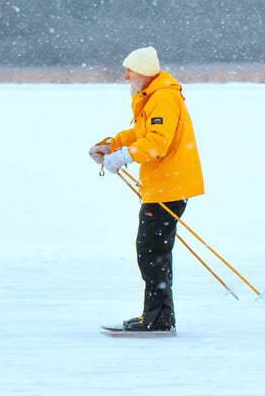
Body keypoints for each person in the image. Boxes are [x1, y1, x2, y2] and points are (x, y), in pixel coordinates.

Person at [89, 46, 204, 332]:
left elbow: (156, 142)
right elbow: (140, 133)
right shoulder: (151, 96)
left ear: (143, 73)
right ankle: (157, 315)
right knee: (153, 251)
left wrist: (123, 156)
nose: (125, 76)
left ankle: (159, 319)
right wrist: (111, 145)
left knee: (151, 251)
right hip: (162, 185)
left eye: (129, 71)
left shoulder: (162, 97)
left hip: (169, 186)